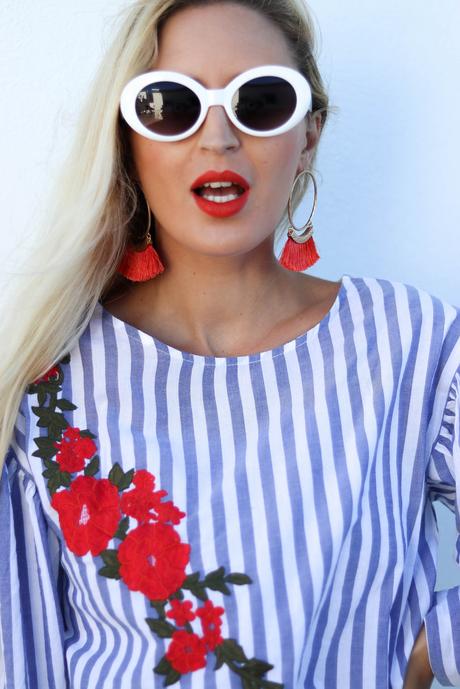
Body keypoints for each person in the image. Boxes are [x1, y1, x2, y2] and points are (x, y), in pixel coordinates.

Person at [0, 0, 459, 687]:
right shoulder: (49, 383)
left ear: (309, 136)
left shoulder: (413, 345)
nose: (217, 137)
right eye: (171, 104)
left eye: (262, 100)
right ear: (127, 138)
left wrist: (432, 649)